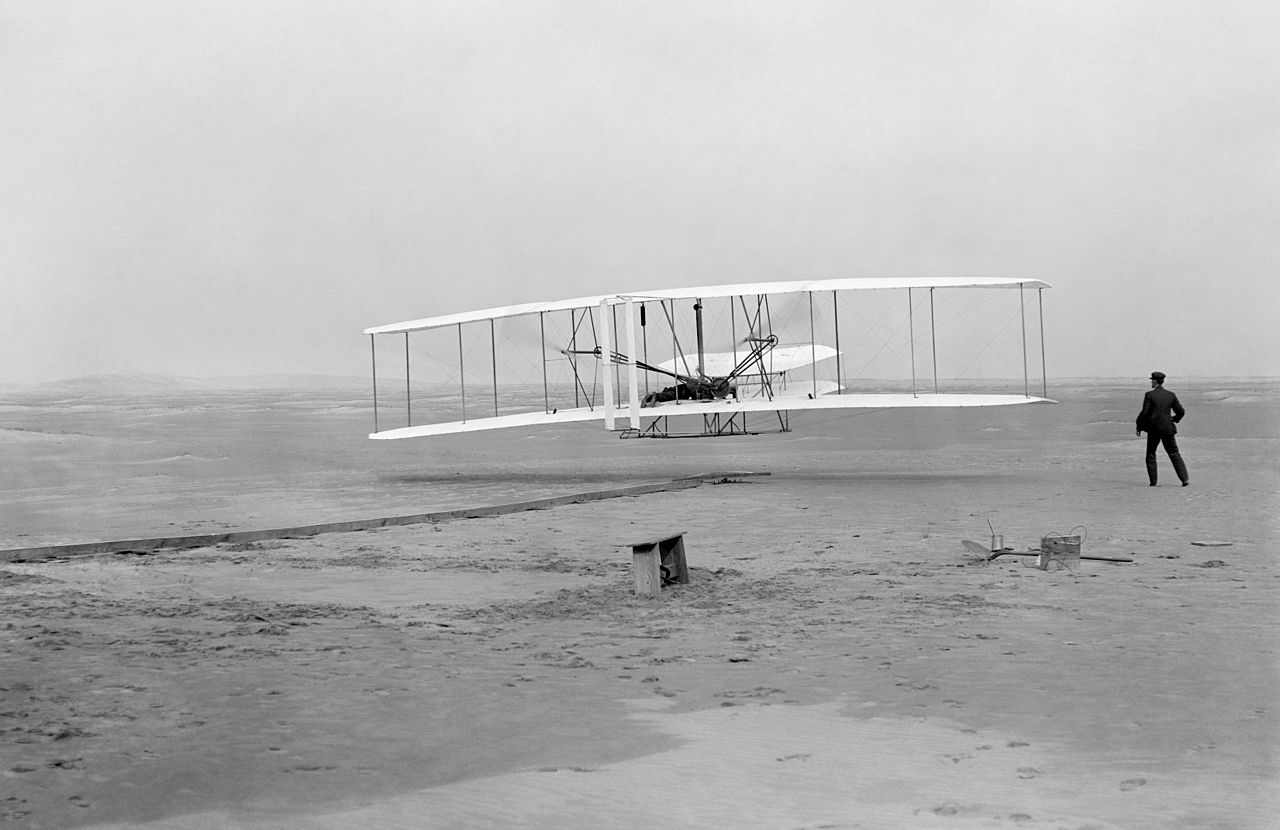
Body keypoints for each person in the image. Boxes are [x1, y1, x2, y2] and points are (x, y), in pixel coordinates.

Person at [1136, 371, 1189, 487]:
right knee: (1174, 453)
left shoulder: (1149, 395)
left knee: (1151, 454)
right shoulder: (1171, 395)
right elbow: (1181, 411)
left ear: (1155, 381)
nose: (1151, 382)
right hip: (1168, 428)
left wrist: (1139, 426)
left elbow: (1144, 413)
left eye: (1152, 380)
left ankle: (1153, 482)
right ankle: (1185, 480)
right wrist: (1175, 419)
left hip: (1154, 429)